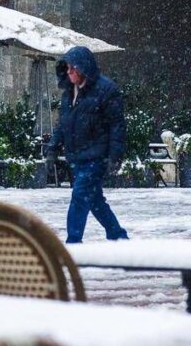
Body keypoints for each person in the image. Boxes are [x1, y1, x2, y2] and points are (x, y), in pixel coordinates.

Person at [46, 46, 128, 244]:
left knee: (80, 196)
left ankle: (73, 242)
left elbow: (117, 126)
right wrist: (53, 149)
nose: (69, 72)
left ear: (83, 68)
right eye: (67, 69)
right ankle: (118, 236)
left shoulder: (106, 90)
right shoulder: (69, 93)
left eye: (73, 69)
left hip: (96, 156)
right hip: (77, 157)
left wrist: (114, 156)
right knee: (95, 201)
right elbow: (63, 124)